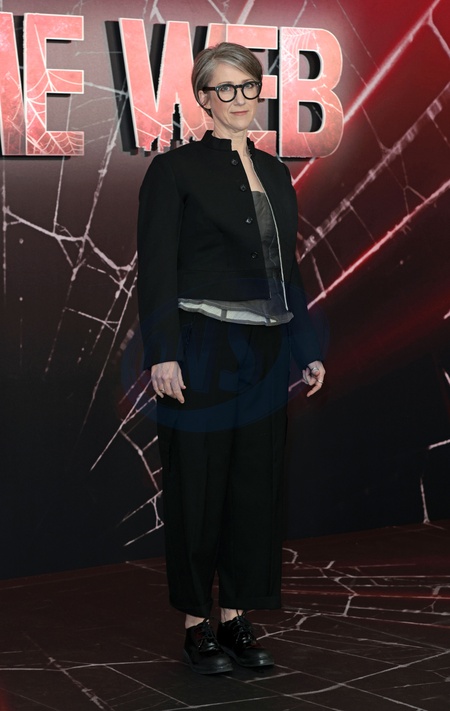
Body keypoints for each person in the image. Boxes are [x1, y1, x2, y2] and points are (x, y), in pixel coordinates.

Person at [137, 42, 325, 675]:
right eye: (225, 89)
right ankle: (198, 627)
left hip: (266, 349)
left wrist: (306, 348)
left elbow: (285, 268)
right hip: (201, 345)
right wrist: (163, 354)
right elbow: (156, 269)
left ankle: (236, 618)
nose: (239, 99)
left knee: (254, 486)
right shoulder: (174, 171)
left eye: (248, 87)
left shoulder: (276, 171)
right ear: (204, 98)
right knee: (198, 486)